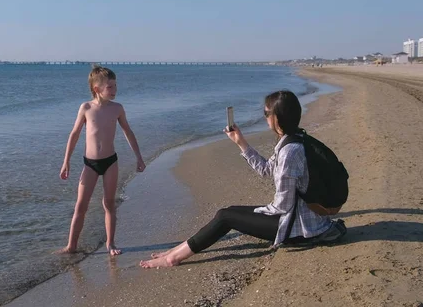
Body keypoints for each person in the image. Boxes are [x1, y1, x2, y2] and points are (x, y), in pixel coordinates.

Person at [140, 90, 345, 268]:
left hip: (298, 229)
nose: (265, 117)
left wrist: (258, 212)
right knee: (227, 213)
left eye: (266, 113)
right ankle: (176, 250)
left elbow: (283, 205)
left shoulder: (290, 151)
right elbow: (266, 170)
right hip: (300, 219)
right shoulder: (293, 139)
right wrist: (240, 142)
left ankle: (172, 259)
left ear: (277, 118)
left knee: (226, 217)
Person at [58, 65, 146, 256]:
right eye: (110, 87)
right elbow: (74, 135)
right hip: (89, 164)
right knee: (81, 206)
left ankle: (111, 243)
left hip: (110, 162)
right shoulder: (86, 108)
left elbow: (128, 132)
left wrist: (139, 157)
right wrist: (66, 161)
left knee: (109, 203)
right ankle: (71, 246)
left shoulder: (117, 109)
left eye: (115, 86)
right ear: (97, 89)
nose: (115, 91)